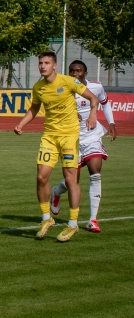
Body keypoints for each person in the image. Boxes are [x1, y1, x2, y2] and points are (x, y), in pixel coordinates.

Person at [14, 51, 98, 242]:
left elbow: (93, 98)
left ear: (54, 66)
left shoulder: (68, 81)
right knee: (41, 177)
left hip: (69, 136)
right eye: (40, 63)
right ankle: (46, 218)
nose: (42, 66)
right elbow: (34, 108)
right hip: (49, 137)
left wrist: (92, 115)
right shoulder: (38, 87)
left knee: (70, 179)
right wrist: (21, 124)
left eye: (46, 63)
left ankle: (73, 224)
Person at [50, 60, 117, 232]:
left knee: (95, 172)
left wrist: (111, 123)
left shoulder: (96, 87)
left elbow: (104, 102)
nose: (75, 74)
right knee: (72, 181)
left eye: (78, 71)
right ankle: (56, 192)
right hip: (71, 138)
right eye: (72, 71)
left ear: (85, 73)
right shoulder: (61, 88)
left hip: (92, 136)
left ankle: (92, 220)